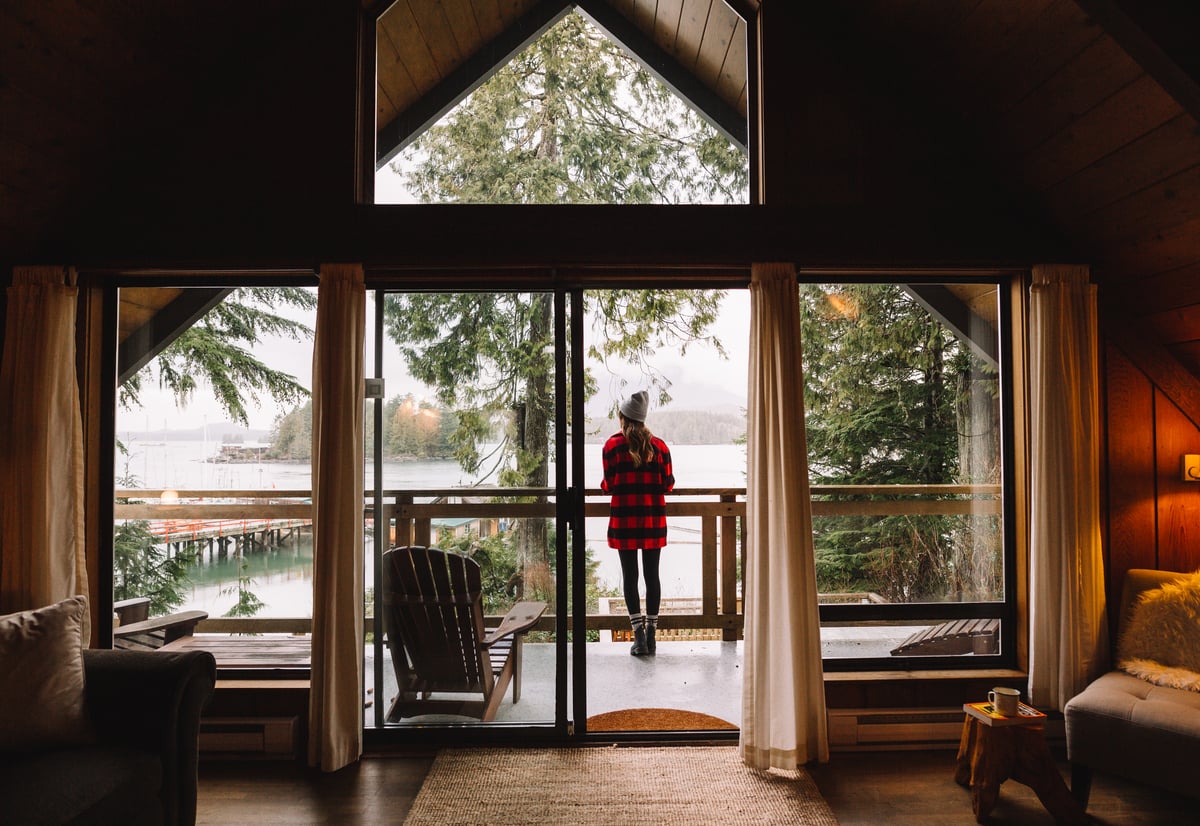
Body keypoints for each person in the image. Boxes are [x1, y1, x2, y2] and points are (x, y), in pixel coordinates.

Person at [601, 390, 675, 656]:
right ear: (642, 420)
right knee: (652, 576)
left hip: (624, 520)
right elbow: (668, 484)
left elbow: (608, 485)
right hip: (653, 519)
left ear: (622, 418)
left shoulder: (611, 447)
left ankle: (639, 637)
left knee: (630, 577)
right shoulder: (661, 448)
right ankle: (653, 634)